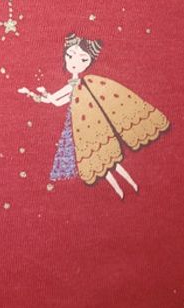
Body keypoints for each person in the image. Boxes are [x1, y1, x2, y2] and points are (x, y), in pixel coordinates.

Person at [19, 34, 170, 199]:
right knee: (103, 163)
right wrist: (39, 94)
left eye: (83, 59)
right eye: (70, 56)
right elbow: (56, 102)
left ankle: (130, 186)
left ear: (90, 62)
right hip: (83, 127)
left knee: (107, 161)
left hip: (92, 126)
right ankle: (123, 190)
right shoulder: (77, 84)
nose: (74, 62)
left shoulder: (84, 83)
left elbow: (55, 101)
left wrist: (40, 94)